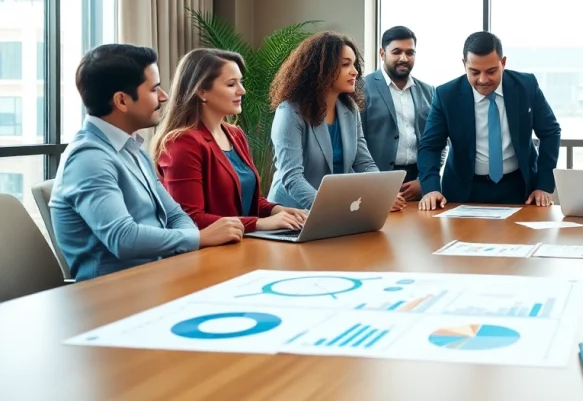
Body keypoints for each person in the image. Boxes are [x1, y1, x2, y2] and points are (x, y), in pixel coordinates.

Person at [49, 44, 243, 281]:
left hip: (158, 278)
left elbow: (175, 214)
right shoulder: (89, 158)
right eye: (154, 89)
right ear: (121, 100)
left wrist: (190, 241)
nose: (164, 97)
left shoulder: (133, 149)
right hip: (114, 295)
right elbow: (123, 238)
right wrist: (199, 238)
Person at [151, 48, 308, 233]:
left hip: (244, 243)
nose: (242, 90)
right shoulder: (181, 143)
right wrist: (258, 223)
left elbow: (250, 200)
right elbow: (190, 219)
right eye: (231, 84)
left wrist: (278, 210)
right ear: (202, 91)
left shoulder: (235, 134)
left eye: (240, 82)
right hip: (207, 254)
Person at [418, 32, 561, 209]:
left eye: (491, 71)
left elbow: (550, 132)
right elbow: (430, 146)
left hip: (519, 188)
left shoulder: (526, 86)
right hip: (464, 191)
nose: (483, 80)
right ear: (464, 65)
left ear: (503, 63)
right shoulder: (447, 95)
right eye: (475, 72)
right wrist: (431, 189)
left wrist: (544, 185)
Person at [266, 32, 404, 212]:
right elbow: (292, 178)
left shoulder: (350, 110)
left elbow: (364, 163)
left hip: (336, 211)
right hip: (291, 213)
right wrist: (331, 209)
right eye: (345, 64)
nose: (354, 71)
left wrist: (382, 194)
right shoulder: (290, 111)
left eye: (354, 64)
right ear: (321, 69)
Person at [360, 26, 437, 202]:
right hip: (376, 182)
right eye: (397, 52)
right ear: (382, 53)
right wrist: (376, 187)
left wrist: (424, 182)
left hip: (417, 185)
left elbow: (437, 142)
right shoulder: (361, 88)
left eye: (410, 53)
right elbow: (357, 147)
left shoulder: (429, 91)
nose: (404, 58)